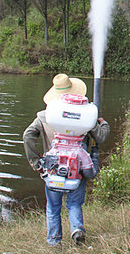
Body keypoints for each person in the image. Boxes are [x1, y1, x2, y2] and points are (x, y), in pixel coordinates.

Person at [23, 73, 110, 247]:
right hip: (78, 169)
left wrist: (37, 162)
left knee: (53, 207)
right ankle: (77, 230)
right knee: (75, 203)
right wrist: (103, 123)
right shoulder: (85, 116)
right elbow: (101, 138)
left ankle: (54, 242)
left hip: (53, 168)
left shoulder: (43, 116)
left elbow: (27, 136)